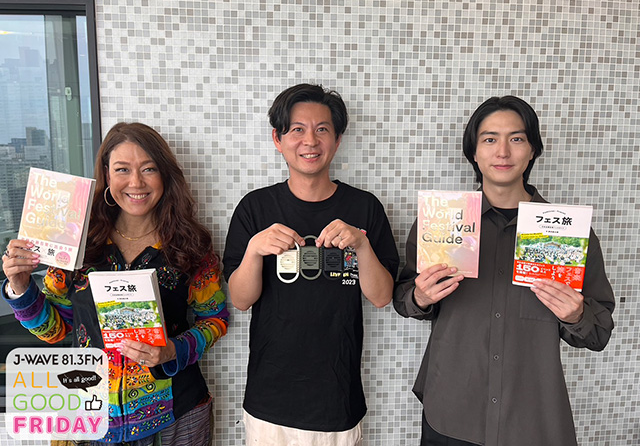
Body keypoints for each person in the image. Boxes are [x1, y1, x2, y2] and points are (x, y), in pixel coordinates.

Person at [393, 96, 615, 446]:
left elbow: (598, 333)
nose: (503, 152)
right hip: (451, 414)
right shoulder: (441, 223)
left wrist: (576, 314)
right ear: (474, 152)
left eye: (516, 138)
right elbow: (404, 298)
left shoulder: (568, 235)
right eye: (489, 139)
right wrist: (419, 297)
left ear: (532, 150)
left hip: (531, 420)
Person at [2, 122, 229, 445]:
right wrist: (21, 288)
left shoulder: (190, 245)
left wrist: (173, 350)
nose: (136, 182)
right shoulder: (78, 242)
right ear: (107, 175)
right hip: (88, 416)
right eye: (123, 169)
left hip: (176, 416)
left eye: (149, 169)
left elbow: (215, 319)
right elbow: (56, 330)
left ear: (164, 175)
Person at [223, 83, 399, 445]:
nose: (310, 141)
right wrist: (255, 250)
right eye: (297, 129)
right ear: (278, 138)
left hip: (337, 398)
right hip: (269, 400)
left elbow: (382, 297)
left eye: (322, 129)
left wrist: (362, 245)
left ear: (337, 140)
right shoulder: (255, 208)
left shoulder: (364, 208)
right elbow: (240, 300)